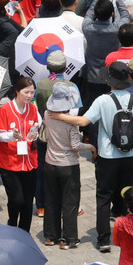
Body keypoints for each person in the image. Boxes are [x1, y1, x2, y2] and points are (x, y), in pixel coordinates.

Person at [48, 58, 133, 252]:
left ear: (110, 81)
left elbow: (83, 122)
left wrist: (59, 116)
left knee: (104, 197)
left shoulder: (103, 100)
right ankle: (128, 234)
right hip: (131, 156)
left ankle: (104, 240)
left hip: (107, 157)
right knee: (129, 197)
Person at [0, 75, 42, 232]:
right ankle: (12, 226)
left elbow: (35, 127)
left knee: (28, 202)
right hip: (9, 162)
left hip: (29, 161)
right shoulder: (5, 109)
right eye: (26, 92)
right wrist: (11, 135)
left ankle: (24, 233)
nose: (29, 96)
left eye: (32, 93)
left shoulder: (33, 109)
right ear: (17, 91)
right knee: (17, 200)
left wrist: (33, 134)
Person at [43, 79, 86, 249]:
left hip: (50, 163)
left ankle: (50, 236)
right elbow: (75, 146)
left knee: (51, 200)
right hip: (68, 165)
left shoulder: (47, 114)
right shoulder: (71, 121)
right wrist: (90, 146)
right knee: (70, 202)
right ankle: (69, 239)